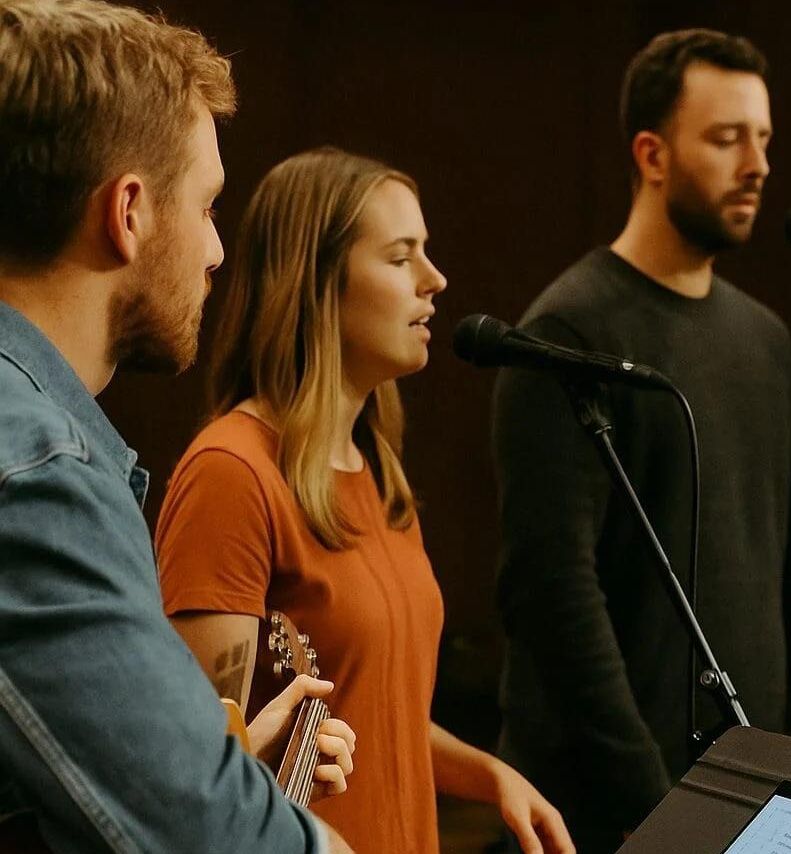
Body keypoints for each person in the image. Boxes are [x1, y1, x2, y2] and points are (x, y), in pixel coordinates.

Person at [492, 28, 791, 851]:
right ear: (652, 155)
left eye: (763, 139)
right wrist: (659, 810)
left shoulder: (763, 339)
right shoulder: (565, 332)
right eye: (727, 138)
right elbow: (556, 598)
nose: (758, 164)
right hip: (610, 810)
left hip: (753, 793)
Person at [0, 2, 353, 850]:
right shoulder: (39, 469)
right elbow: (213, 841)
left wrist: (208, 769)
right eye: (206, 206)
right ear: (128, 212)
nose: (218, 252)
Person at [153, 148, 573, 854]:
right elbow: (197, 767)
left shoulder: (375, 470)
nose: (435, 281)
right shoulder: (232, 473)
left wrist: (487, 774)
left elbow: (377, 711)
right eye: (401, 257)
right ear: (317, 283)